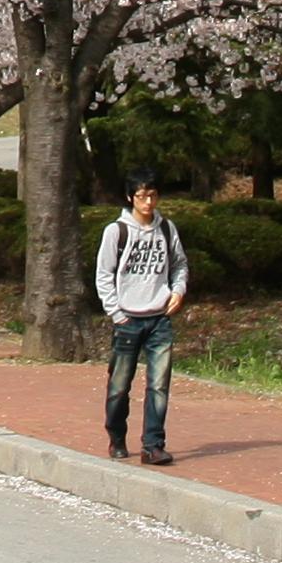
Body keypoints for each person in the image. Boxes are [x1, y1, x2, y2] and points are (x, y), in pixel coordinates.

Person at [94, 176, 192, 465]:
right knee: (119, 386)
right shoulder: (117, 232)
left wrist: (178, 290)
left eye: (152, 195)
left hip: (159, 319)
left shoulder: (166, 228)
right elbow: (103, 275)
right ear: (130, 198)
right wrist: (117, 313)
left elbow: (180, 264)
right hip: (128, 320)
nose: (148, 202)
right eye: (141, 196)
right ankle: (116, 435)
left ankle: (153, 445)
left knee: (159, 385)